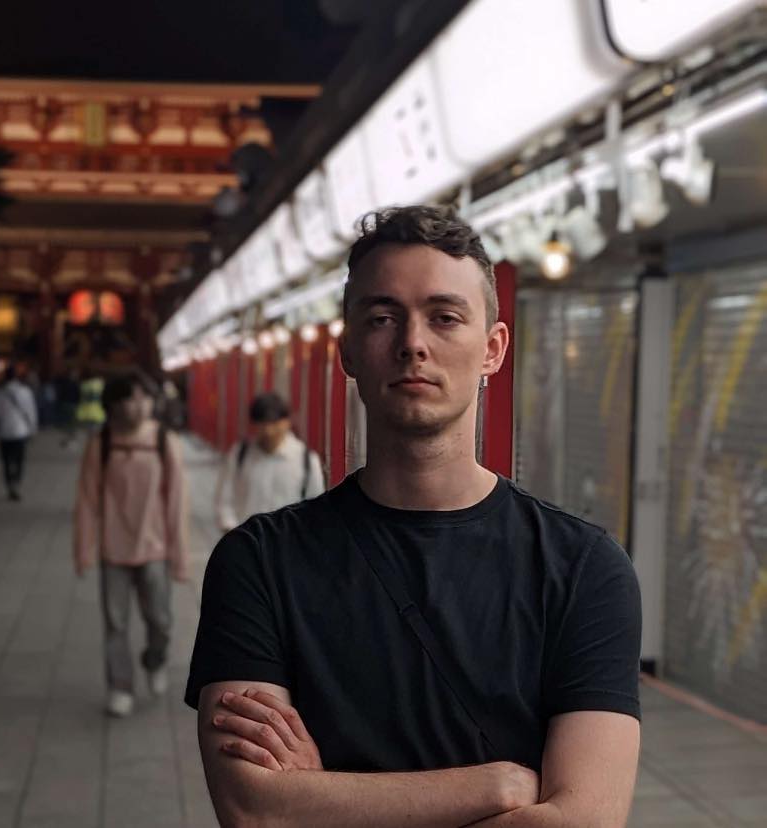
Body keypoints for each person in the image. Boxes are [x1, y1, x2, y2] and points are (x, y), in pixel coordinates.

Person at [185, 206, 642, 827]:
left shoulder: (583, 568)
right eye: (382, 317)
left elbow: (583, 823)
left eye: (445, 317)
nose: (413, 344)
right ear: (347, 349)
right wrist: (499, 788)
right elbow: (256, 812)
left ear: (493, 350)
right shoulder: (259, 562)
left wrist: (323, 798)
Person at [74, 371, 189, 718]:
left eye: (144, 398)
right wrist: (84, 549)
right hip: (114, 549)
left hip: (154, 547)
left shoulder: (163, 440)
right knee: (115, 623)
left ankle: (155, 658)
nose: (138, 406)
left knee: (161, 619)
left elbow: (177, 500)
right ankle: (120, 686)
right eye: (130, 398)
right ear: (113, 403)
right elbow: (87, 500)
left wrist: (179, 554)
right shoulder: (102, 443)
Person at [213, 391, 325, 532]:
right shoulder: (240, 455)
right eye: (262, 424)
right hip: (247, 542)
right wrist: (234, 533)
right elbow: (224, 499)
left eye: (274, 423)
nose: (268, 431)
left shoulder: (306, 460)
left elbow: (315, 508)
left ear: (287, 422)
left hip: (289, 543)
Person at [0, 365, 38, 500]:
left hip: (4, 432)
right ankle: (16, 482)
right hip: (20, 431)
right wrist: (33, 429)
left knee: (6, 461)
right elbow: (31, 412)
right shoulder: (25, 391)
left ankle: (9, 483)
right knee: (19, 460)